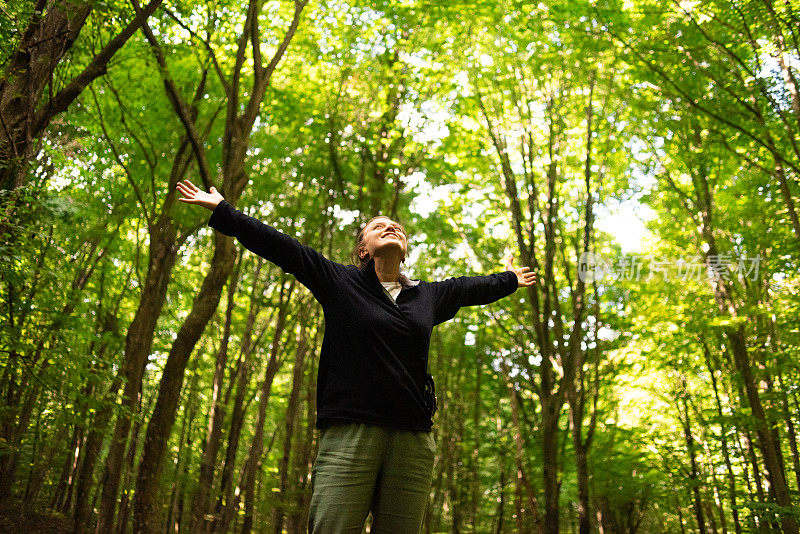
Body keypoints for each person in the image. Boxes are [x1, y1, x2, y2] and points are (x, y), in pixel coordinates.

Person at [176, 179, 537, 533]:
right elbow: (282, 247)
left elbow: (471, 286)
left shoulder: (427, 296)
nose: (391, 227)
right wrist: (224, 211)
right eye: (378, 227)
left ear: (406, 249)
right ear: (364, 249)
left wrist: (509, 279)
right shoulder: (340, 282)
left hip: (412, 437)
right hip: (351, 431)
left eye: (395, 227)